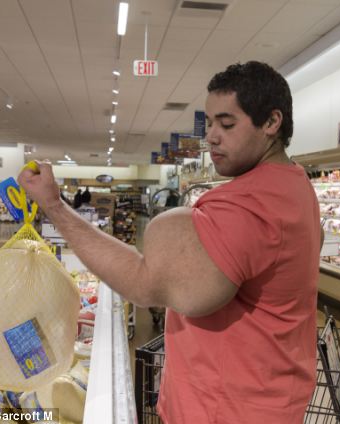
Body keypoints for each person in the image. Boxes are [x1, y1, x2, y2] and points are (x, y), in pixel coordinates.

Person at [18, 61, 321, 423]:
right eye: (209, 123)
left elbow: (144, 284)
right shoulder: (294, 184)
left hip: (228, 409)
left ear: (271, 123)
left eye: (227, 124)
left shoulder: (251, 205)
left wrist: (55, 207)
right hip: (265, 398)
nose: (211, 136)